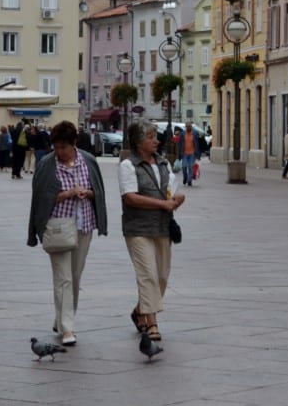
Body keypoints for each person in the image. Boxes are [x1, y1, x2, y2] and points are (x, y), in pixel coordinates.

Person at [27, 121, 108, 347]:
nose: (59, 151)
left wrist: (87, 193)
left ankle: (61, 319)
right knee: (63, 278)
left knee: (75, 275)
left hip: (84, 226)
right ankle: (68, 329)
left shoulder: (88, 161)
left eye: (64, 147)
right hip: (58, 226)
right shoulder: (46, 164)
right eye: (56, 147)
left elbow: (98, 192)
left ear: (75, 143)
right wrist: (68, 193)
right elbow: (41, 198)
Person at [119, 121, 183, 348]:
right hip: (138, 229)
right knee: (148, 275)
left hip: (163, 227)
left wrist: (177, 199)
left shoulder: (164, 163)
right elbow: (130, 197)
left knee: (162, 276)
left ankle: (140, 311)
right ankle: (152, 323)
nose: (156, 140)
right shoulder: (128, 166)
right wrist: (161, 204)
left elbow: (172, 191)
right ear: (138, 142)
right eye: (150, 137)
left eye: (155, 136)